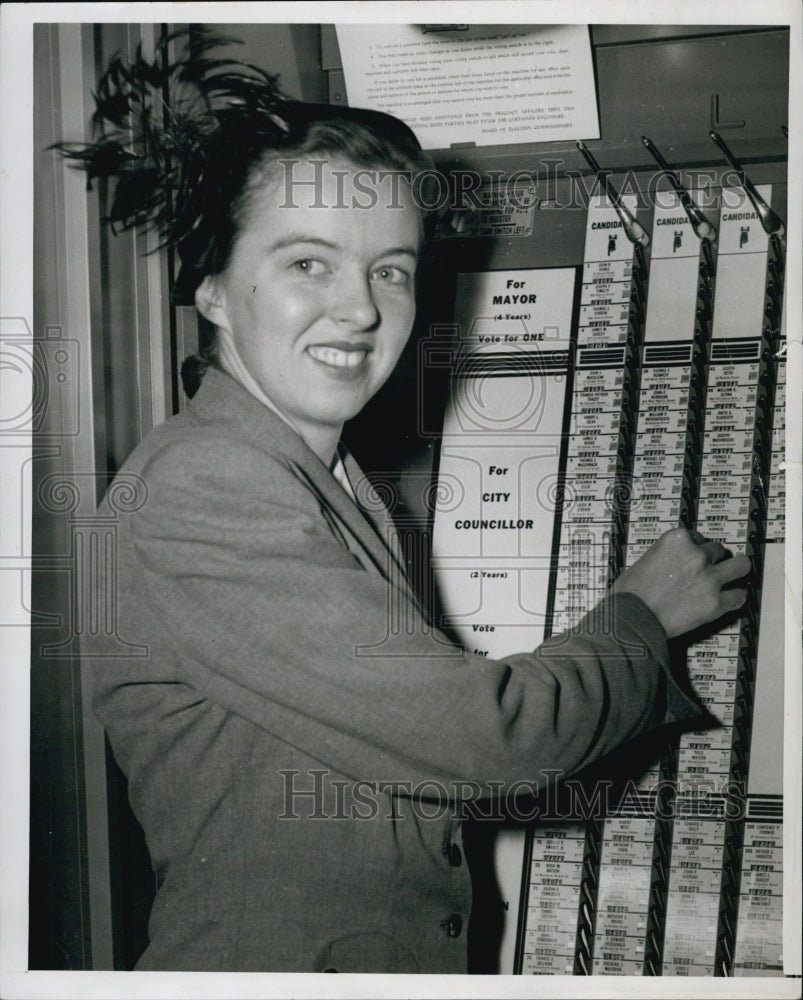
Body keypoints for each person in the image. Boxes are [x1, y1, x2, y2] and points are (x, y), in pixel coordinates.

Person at [68, 32, 751, 973]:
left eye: (389, 269)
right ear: (214, 287)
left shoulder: (328, 476)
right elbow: (487, 741)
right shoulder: (204, 483)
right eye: (308, 263)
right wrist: (639, 617)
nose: (360, 309)